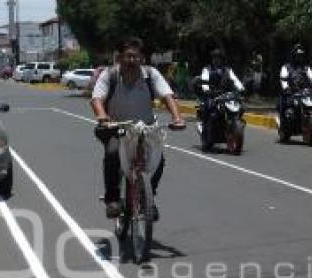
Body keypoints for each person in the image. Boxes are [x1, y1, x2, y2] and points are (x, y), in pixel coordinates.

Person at [91, 37, 185, 220]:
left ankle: (148, 197)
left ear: (142, 58)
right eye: (128, 56)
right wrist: (102, 116)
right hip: (117, 126)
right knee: (112, 153)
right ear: (120, 58)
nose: (132, 61)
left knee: (159, 160)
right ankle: (112, 199)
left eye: (136, 57)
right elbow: (97, 99)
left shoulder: (151, 75)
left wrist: (177, 118)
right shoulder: (109, 75)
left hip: (146, 127)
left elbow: (167, 96)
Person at [197, 48, 245, 126]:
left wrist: (241, 88)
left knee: (241, 107)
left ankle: (234, 122)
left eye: (218, 58)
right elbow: (204, 79)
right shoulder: (207, 69)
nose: (216, 60)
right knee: (208, 107)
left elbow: (235, 79)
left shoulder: (227, 70)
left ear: (222, 59)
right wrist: (206, 89)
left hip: (226, 95)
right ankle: (205, 127)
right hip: (212, 95)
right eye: (214, 57)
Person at [278, 44, 312, 115]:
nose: (299, 58)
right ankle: (285, 119)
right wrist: (286, 87)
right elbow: (283, 79)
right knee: (286, 105)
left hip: (304, 91)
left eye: (301, 56)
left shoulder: (306, 68)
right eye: (297, 56)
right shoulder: (286, 67)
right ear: (293, 56)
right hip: (291, 91)